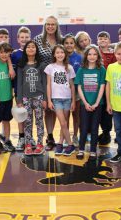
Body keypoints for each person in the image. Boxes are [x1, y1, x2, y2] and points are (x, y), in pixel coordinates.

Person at [34, 15, 63, 150]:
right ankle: (49, 135)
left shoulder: (61, 40)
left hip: (58, 77)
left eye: (53, 24)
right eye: (48, 24)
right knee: (46, 108)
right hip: (43, 77)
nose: (50, 26)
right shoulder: (38, 39)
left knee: (54, 106)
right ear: (45, 26)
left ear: (57, 26)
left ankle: (53, 134)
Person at [75, 45, 106, 160]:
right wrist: (85, 103)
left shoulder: (101, 69)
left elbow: (102, 87)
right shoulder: (81, 69)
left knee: (94, 128)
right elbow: (79, 87)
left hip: (98, 105)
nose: (92, 56)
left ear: (98, 56)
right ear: (86, 56)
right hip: (85, 105)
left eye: (94, 54)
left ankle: (93, 150)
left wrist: (96, 103)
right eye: (89, 54)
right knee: (83, 127)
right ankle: (81, 149)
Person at [16, 40, 47, 155]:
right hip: (25, 98)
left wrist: (45, 99)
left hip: (39, 97)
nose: (30, 49)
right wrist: (19, 100)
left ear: (36, 49)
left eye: (33, 47)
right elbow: (19, 83)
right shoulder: (21, 65)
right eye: (28, 47)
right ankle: (28, 144)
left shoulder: (41, 65)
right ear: (25, 50)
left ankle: (40, 143)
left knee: (39, 121)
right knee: (27, 121)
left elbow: (44, 83)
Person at [45, 45, 76, 156]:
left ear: (65, 54)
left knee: (65, 124)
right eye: (57, 52)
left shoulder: (69, 68)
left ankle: (60, 143)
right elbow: (48, 85)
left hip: (67, 99)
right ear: (54, 54)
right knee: (62, 122)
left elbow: (72, 86)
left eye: (62, 52)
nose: (60, 54)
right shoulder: (50, 67)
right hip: (56, 99)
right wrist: (49, 100)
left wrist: (73, 101)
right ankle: (70, 144)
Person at [0, 41, 15, 152]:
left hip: (8, 98)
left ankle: (7, 140)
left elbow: (13, 76)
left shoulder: (9, 64)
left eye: (7, 52)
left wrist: (10, 66)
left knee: (7, 120)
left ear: (10, 52)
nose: (4, 54)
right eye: (1, 52)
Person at [11, 26, 32, 151]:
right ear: (18, 39)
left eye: (27, 37)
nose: (24, 39)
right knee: (21, 115)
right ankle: (21, 137)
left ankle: (30, 138)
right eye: (22, 37)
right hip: (20, 90)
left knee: (31, 116)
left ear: (30, 38)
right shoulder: (14, 55)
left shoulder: (34, 52)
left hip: (33, 90)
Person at [62, 33, 82, 147]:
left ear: (74, 44)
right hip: (63, 91)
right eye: (66, 43)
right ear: (63, 44)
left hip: (76, 90)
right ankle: (66, 137)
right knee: (65, 116)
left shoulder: (79, 57)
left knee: (76, 115)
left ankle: (75, 136)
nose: (69, 45)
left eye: (71, 43)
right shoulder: (60, 56)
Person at [97, 31, 116, 145]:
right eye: (100, 38)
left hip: (110, 87)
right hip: (97, 87)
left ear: (109, 41)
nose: (103, 40)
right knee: (98, 110)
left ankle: (106, 132)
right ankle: (95, 131)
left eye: (105, 38)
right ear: (97, 41)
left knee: (107, 112)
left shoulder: (114, 54)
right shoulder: (95, 53)